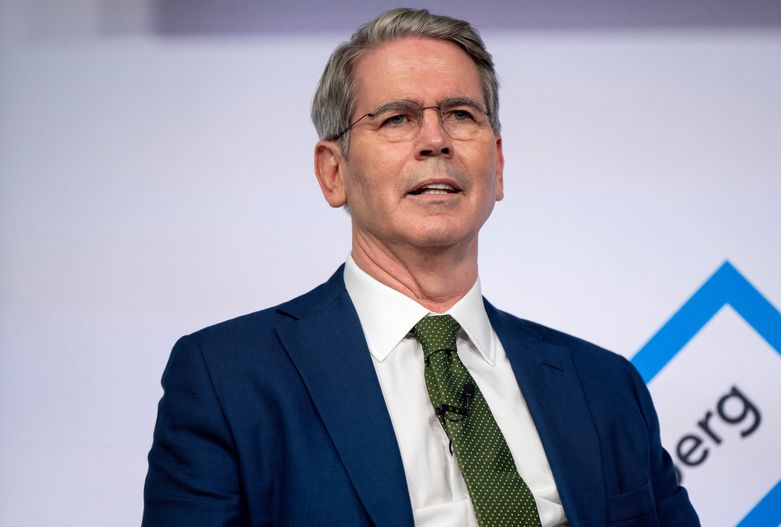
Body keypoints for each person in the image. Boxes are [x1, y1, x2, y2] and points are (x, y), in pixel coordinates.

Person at [143, 8, 699, 527]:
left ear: (498, 167)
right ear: (332, 172)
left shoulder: (605, 386)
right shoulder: (228, 378)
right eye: (397, 119)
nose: (436, 141)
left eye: (460, 115)